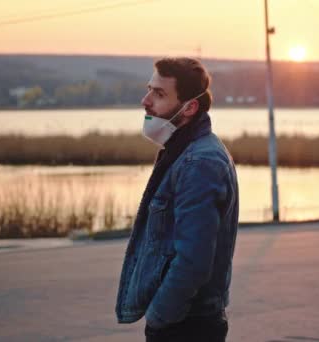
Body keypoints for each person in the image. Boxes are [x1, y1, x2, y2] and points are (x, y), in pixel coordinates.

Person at [115, 57, 239, 342]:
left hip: (186, 326)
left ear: (189, 107)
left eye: (159, 94)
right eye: (149, 89)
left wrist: (160, 316)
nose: (146, 101)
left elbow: (193, 260)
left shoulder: (199, 162)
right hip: (185, 321)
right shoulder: (184, 151)